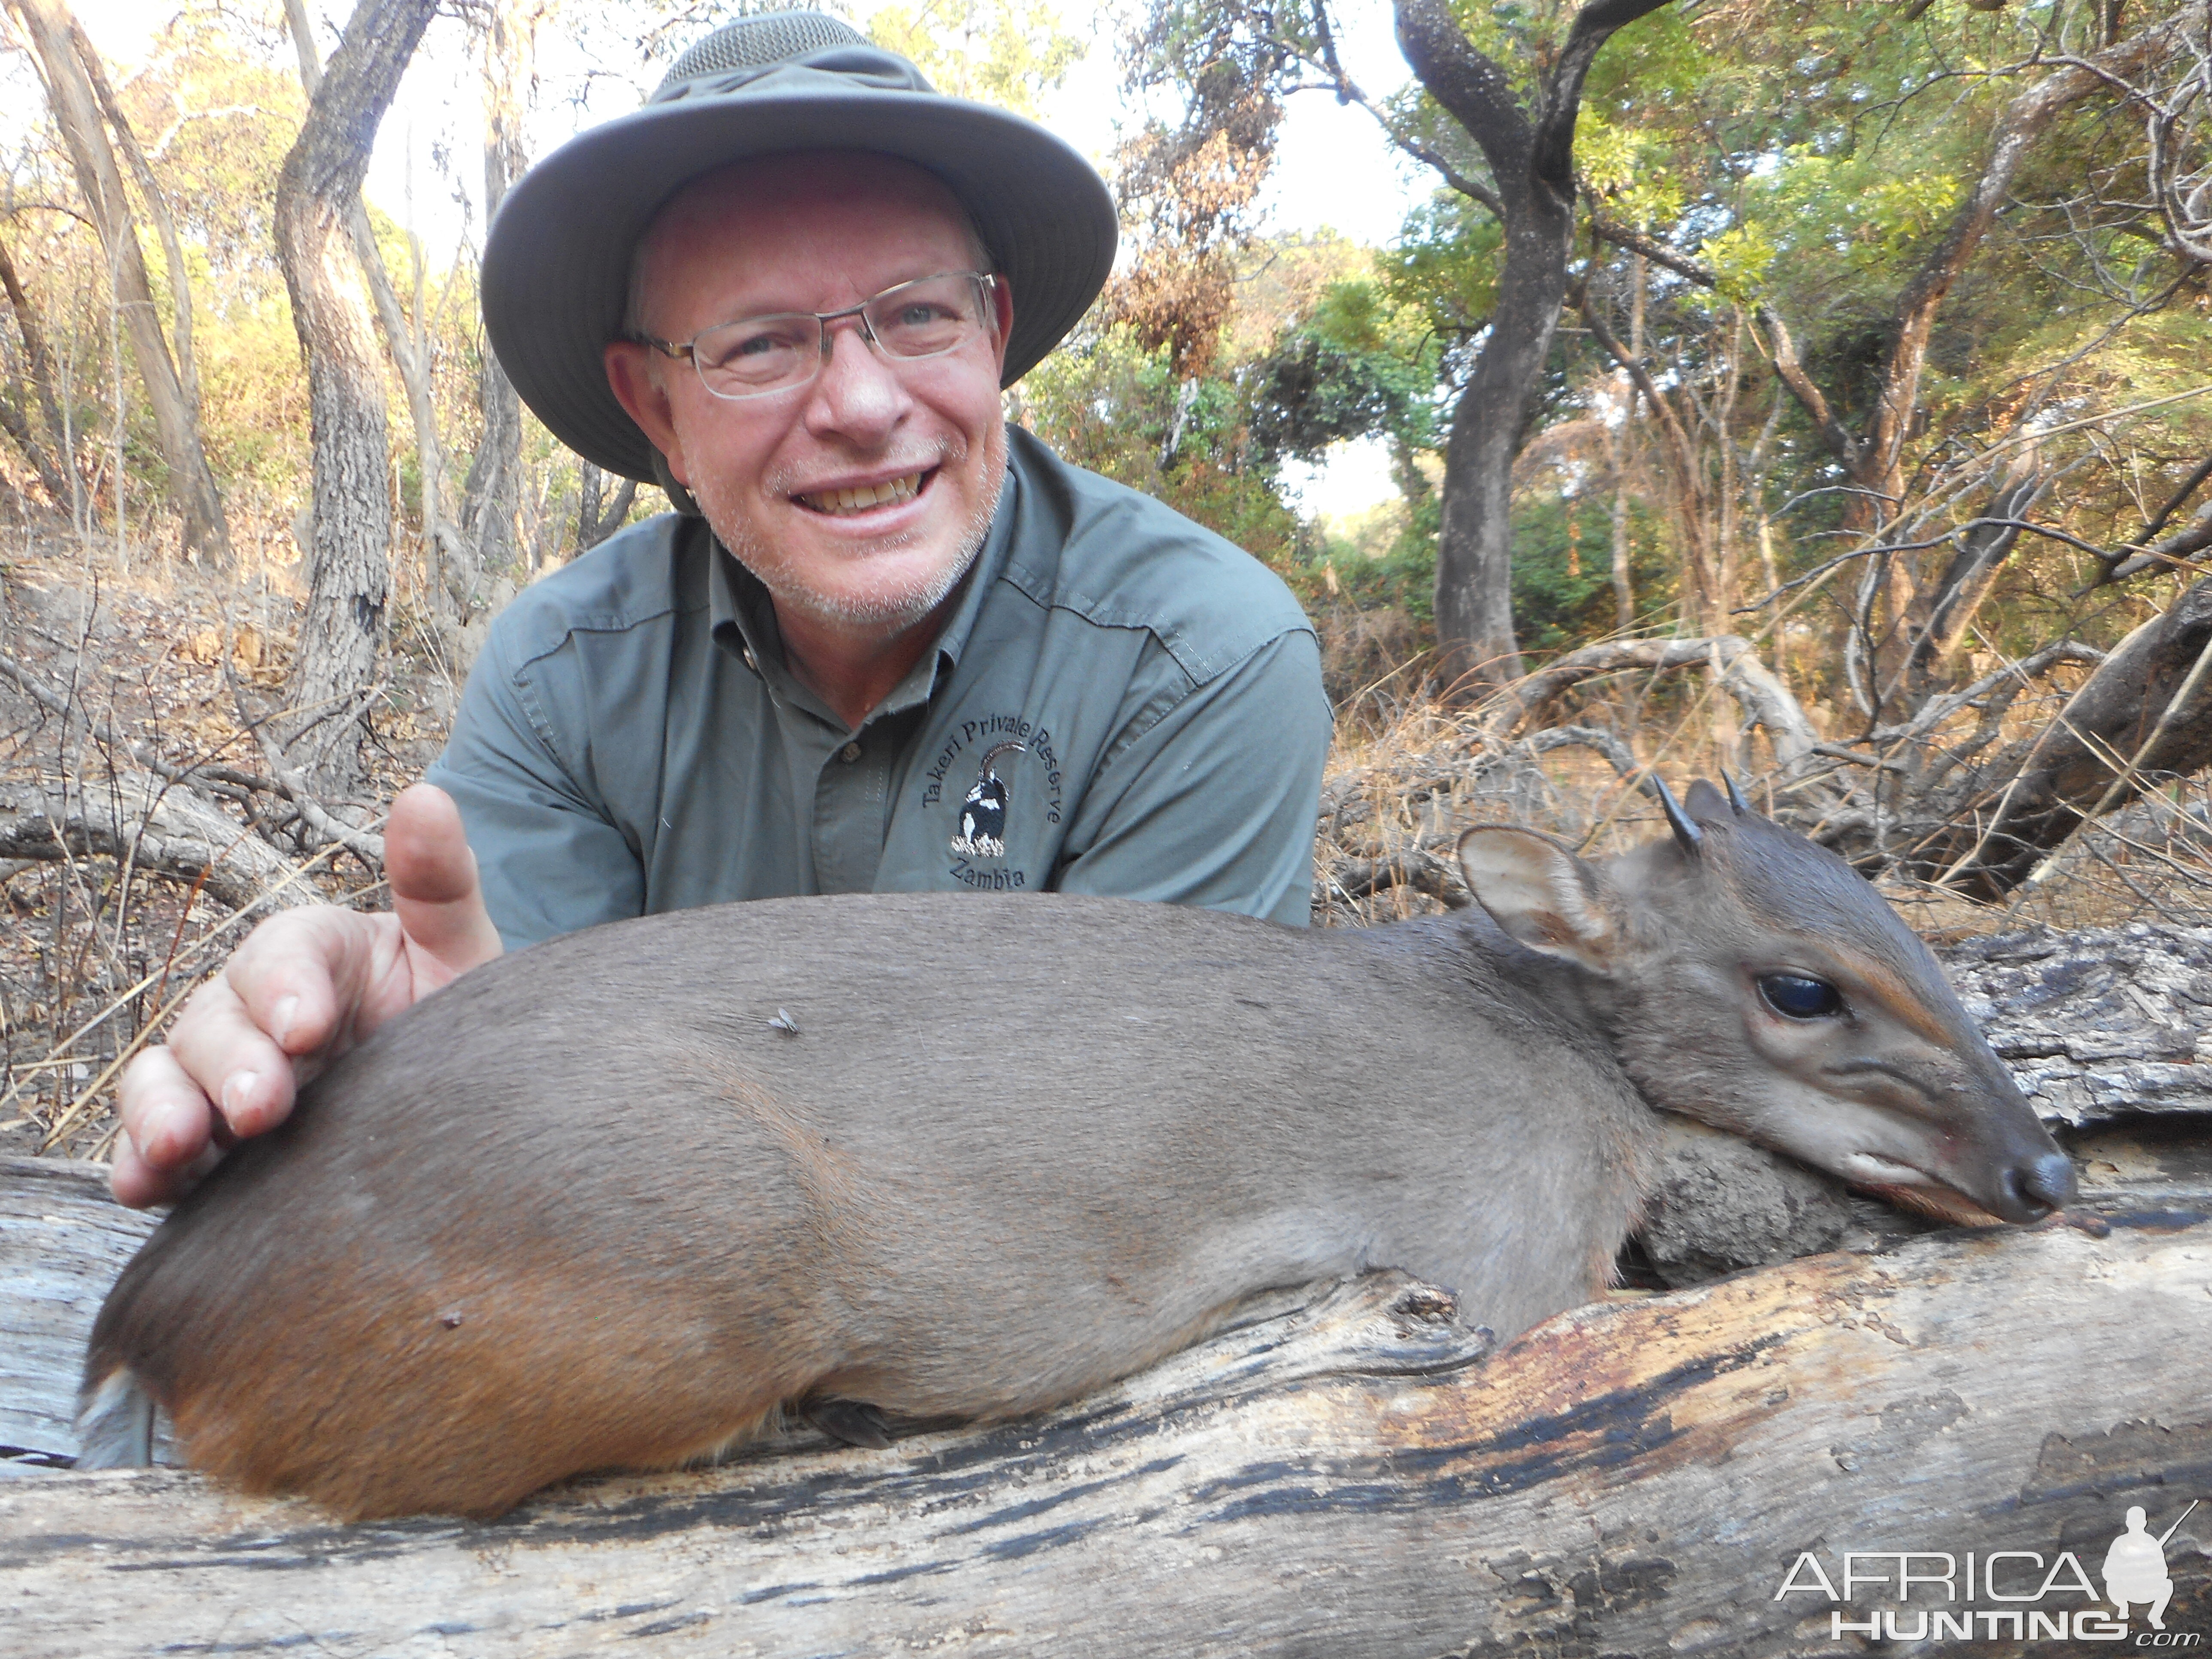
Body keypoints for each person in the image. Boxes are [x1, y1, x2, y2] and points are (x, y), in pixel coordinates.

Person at [113, 11, 1331, 1206]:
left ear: (995, 332)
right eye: (759, 345)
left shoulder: (1199, 661)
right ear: (654, 412)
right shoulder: (565, 674)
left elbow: (1118, 1183)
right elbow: (526, 1090)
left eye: (918, 314)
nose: (862, 403)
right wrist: (401, 1087)